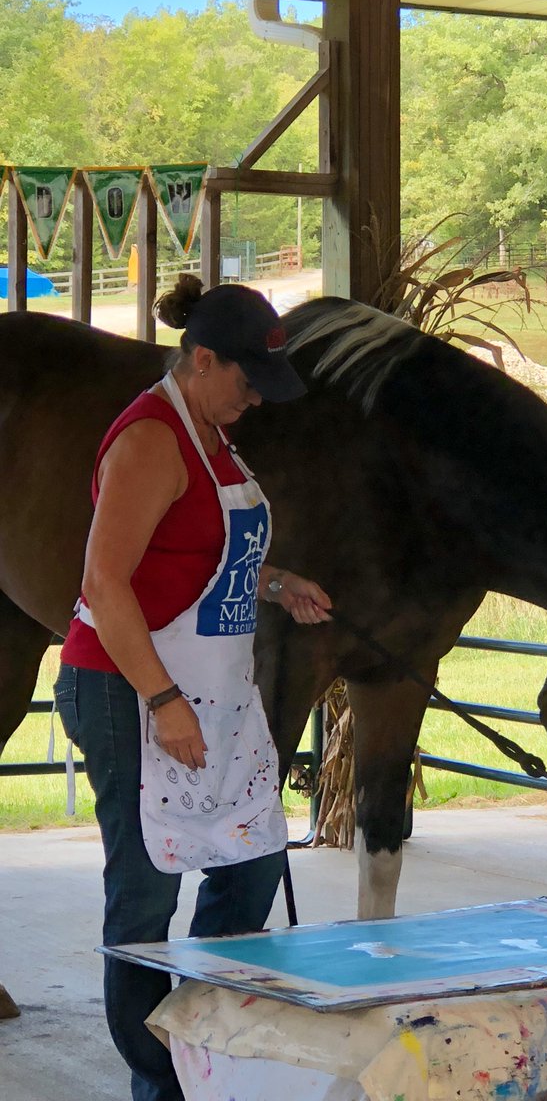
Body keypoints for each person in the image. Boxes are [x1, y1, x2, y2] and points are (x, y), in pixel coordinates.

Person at [54, 274, 332, 1101]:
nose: (254, 400)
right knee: (145, 896)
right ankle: (160, 1079)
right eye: (247, 381)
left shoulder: (214, 436)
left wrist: (274, 581)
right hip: (128, 692)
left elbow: (192, 551)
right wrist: (163, 701)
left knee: (250, 862)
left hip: (212, 694)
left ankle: (209, 1045)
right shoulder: (150, 439)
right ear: (202, 358)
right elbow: (106, 585)